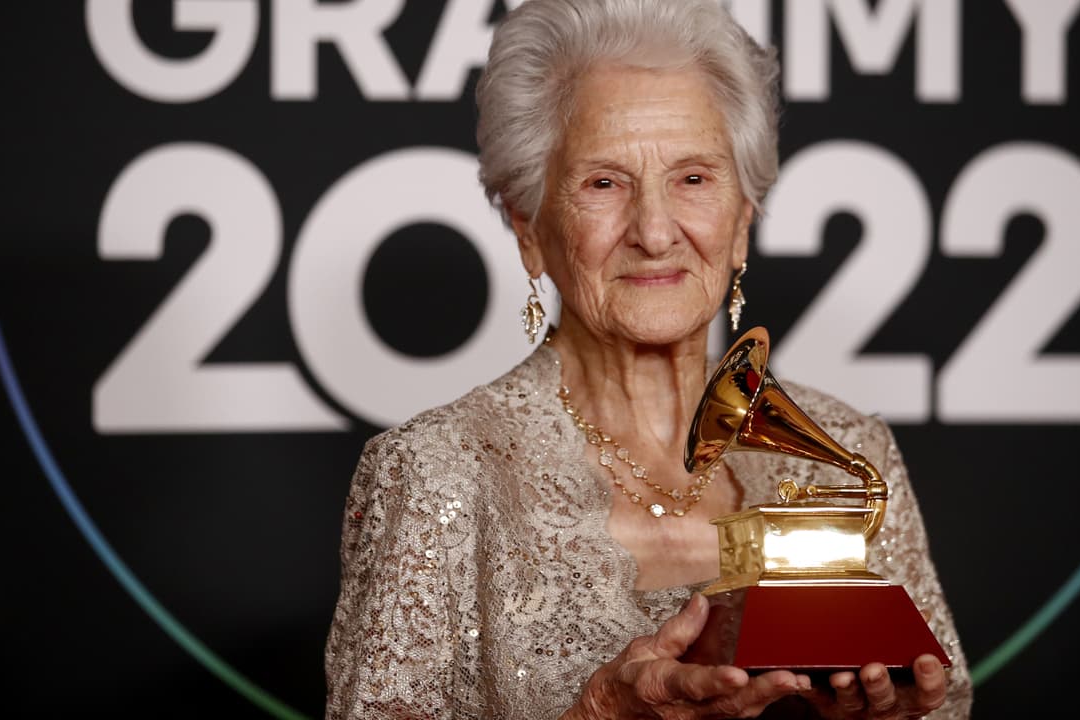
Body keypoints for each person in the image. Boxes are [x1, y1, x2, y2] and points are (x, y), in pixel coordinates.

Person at [324, 0, 972, 717]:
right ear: (529, 227)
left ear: (742, 222)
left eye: (694, 179)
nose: (656, 232)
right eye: (604, 183)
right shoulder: (433, 473)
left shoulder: (854, 448)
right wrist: (597, 712)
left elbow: (947, 705)